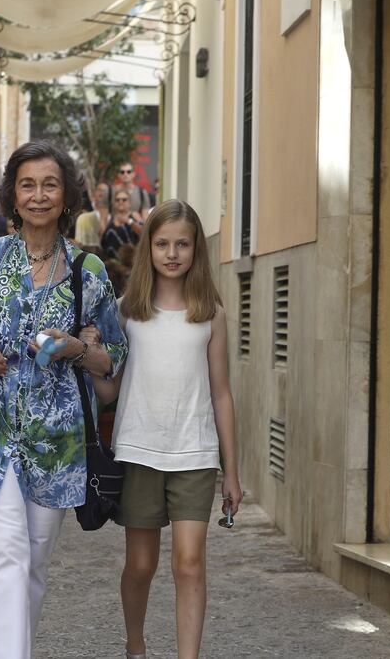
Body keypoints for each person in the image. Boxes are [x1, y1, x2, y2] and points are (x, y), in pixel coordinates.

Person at [0, 141, 127, 659]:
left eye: (49, 184)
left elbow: (113, 357)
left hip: (57, 440)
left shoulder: (88, 270)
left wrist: (74, 348)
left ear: (66, 195)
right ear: (12, 195)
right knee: (4, 553)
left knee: (34, 564)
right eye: (27, 184)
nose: (39, 195)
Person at [87, 200, 242, 659]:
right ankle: (136, 647)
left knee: (190, 564)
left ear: (196, 249)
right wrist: (91, 358)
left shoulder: (210, 313)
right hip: (138, 452)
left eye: (182, 244)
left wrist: (231, 472)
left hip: (195, 454)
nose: (172, 253)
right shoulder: (126, 311)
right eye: (162, 244)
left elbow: (221, 394)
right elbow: (111, 392)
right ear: (148, 249)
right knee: (140, 565)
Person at [73, 182, 111, 256]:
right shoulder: (82, 209)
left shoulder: (112, 212)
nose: (102, 193)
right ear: (94, 192)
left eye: (105, 191)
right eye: (99, 190)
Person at [102, 188, 141, 258]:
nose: (120, 202)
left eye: (124, 199)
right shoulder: (109, 219)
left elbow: (144, 233)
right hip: (112, 262)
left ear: (129, 203)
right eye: (117, 200)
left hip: (131, 262)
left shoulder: (135, 216)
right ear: (114, 203)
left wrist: (129, 221)